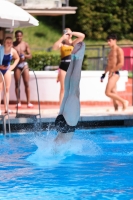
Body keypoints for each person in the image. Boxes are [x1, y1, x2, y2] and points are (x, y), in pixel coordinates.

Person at [54, 41, 85, 144]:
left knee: (73, 90)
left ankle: (79, 58)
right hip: (60, 123)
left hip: (68, 126)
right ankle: (73, 57)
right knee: (68, 90)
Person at [53, 28, 85, 105]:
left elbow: (82, 36)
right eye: (65, 32)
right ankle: (61, 107)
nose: (67, 34)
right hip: (63, 66)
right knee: (63, 88)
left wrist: (72, 33)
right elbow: (54, 47)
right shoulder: (62, 44)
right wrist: (62, 38)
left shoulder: (73, 43)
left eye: (68, 33)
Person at [101, 34, 128, 111]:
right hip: (110, 73)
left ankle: (124, 102)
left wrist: (112, 71)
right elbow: (109, 65)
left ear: (115, 40)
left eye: (110, 41)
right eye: (107, 41)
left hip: (115, 73)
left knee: (107, 92)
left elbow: (121, 63)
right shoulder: (110, 51)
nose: (108, 43)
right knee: (113, 92)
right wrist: (104, 74)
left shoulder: (119, 50)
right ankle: (116, 108)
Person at [13, 30, 33, 108]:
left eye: (20, 36)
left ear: (22, 36)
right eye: (17, 36)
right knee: (17, 84)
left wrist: (25, 55)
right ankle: (18, 102)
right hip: (17, 65)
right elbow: (10, 55)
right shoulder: (13, 45)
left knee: (26, 83)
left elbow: (30, 55)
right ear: (15, 36)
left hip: (24, 64)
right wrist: (16, 56)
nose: (19, 37)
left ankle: (28, 102)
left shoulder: (25, 44)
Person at [0, 37, 19, 114]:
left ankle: (6, 108)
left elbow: (17, 58)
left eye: (10, 42)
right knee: (0, 88)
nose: (9, 43)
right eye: (7, 42)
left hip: (7, 69)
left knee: (7, 89)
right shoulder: (0, 49)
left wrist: (12, 67)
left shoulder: (13, 51)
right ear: (4, 42)